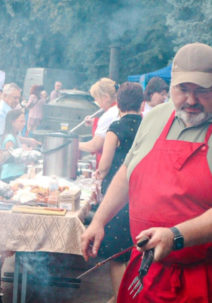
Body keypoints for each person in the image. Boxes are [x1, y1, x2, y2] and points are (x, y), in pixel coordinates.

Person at [81, 42, 212, 303]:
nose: (191, 100)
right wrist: (99, 220)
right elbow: (128, 171)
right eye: (183, 89)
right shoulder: (154, 117)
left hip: (200, 278)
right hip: (145, 274)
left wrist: (175, 235)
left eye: (203, 91)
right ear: (171, 85)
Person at [93, 82, 144, 303]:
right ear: (142, 103)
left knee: (116, 256)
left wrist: (98, 176)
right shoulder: (148, 125)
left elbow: (105, 166)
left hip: (118, 197)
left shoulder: (115, 127)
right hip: (142, 195)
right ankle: (120, 297)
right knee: (134, 252)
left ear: (119, 103)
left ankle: (121, 299)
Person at [79, 78, 119, 167]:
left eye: (97, 98)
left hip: (109, 165)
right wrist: (96, 122)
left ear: (106, 97)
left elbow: (94, 146)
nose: (96, 101)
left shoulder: (109, 114)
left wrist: (73, 143)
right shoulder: (119, 109)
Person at [0, 83, 40, 149]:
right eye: (15, 98)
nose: (17, 101)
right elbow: (6, 136)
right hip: (1, 154)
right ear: (4, 96)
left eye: (19, 98)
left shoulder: (10, 109)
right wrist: (28, 141)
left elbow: (15, 134)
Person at [0, 109, 27, 182]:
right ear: (12, 122)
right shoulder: (10, 138)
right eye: (21, 121)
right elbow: (8, 158)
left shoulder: (15, 137)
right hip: (11, 176)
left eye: (24, 121)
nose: (24, 124)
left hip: (16, 174)